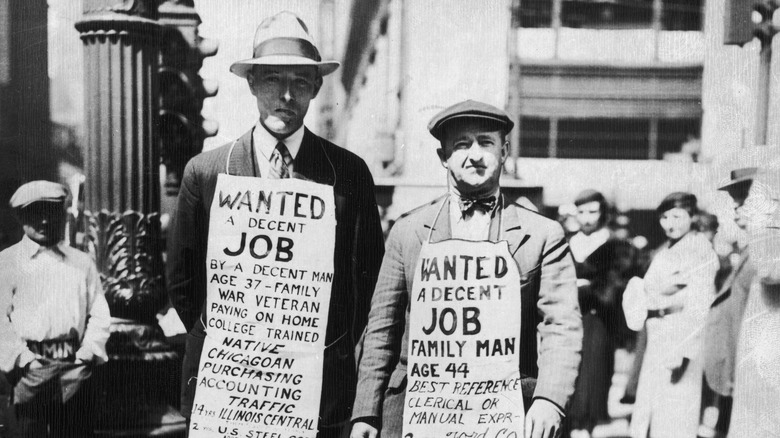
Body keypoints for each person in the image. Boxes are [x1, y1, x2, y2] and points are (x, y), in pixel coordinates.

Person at [165, 11, 384, 438]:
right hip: (230, 383)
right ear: (251, 84)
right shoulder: (207, 173)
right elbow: (183, 282)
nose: (286, 95)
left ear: (316, 88)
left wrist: (323, 347)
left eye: (300, 82)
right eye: (271, 80)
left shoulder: (348, 174)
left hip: (317, 388)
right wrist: (233, 338)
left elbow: (366, 281)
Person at [350, 100, 582, 438]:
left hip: (504, 412)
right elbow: (382, 330)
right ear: (443, 157)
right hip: (419, 411)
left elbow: (561, 326)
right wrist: (366, 414)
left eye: (486, 143)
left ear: (503, 151)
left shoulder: (542, 236)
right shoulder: (408, 231)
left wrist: (550, 399)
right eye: (462, 144)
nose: (475, 154)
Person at [0, 180, 110, 437]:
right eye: (35, 213)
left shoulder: (81, 262)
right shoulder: (8, 262)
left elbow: (99, 312)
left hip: (75, 367)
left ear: (62, 214)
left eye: (51, 212)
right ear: (21, 216)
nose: (45, 221)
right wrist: (24, 361)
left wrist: (87, 353)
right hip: (30, 370)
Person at [624, 192, 718, 438]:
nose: (670, 223)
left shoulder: (700, 249)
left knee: (675, 410)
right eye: (664, 217)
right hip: (657, 332)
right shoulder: (665, 250)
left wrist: (686, 350)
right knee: (651, 405)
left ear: (693, 216)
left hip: (680, 334)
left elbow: (701, 303)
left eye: (677, 216)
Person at [566, 190, 637, 438]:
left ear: (602, 213)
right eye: (582, 212)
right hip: (569, 318)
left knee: (593, 372)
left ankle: (588, 425)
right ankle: (572, 424)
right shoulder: (567, 242)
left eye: (593, 212)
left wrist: (583, 288)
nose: (587, 218)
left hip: (598, 319)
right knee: (569, 370)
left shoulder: (615, 246)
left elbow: (614, 286)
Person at [698, 167, 756, 438]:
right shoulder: (750, 247)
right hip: (736, 369)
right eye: (735, 202)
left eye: (743, 201)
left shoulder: (767, 251)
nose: (736, 210)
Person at [726, 162, 780, 438]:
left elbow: (770, 272)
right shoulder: (756, 241)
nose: (741, 210)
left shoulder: (768, 237)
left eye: (746, 201)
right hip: (753, 352)